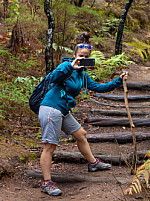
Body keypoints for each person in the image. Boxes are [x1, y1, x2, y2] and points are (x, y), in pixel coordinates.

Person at [39, 32, 128, 196]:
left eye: (86, 57)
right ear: (74, 55)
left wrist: (118, 80)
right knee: (49, 146)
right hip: (51, 108)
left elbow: (99, 88)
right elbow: (53, 78)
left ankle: (93, 163)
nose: (82, 59)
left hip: (63, 110)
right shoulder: (65, 67)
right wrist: (70, 67)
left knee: (81, 134)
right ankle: (46, 182)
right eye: (80, 56)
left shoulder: (82, 74)